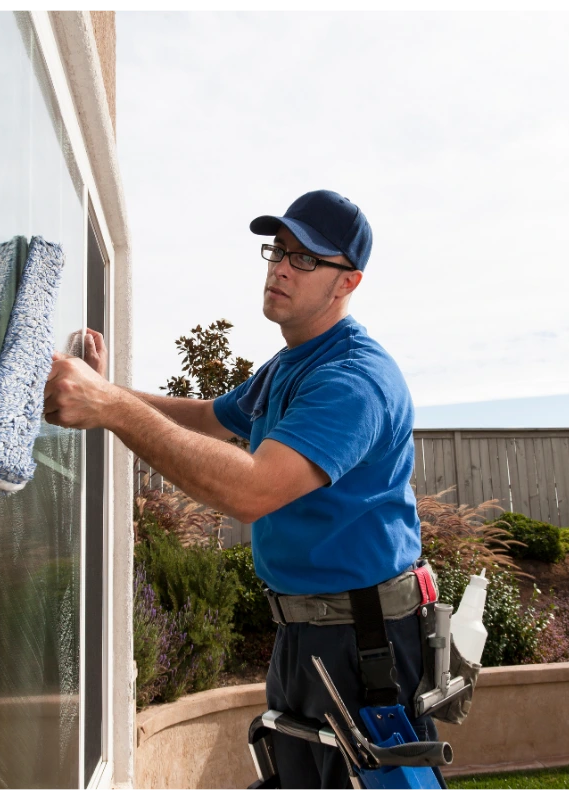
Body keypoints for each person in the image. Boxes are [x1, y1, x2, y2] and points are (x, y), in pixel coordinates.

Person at [43, 189, 442, 790]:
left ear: (347, 282)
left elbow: (254, 491)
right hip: (307, 633)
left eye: (306, 258)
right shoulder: (288, 367)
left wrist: (110, 409)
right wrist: (112, 391)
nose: (281, 266)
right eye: (278, 250)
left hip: (365, 647)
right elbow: (207, 417)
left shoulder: (354, 379)